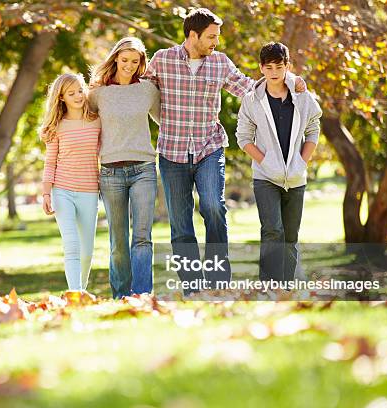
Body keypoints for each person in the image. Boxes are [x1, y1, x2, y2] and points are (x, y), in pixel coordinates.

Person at [144, 8, 306, 292]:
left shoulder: (219, 63)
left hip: (210, 147)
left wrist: (289, 81)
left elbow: (250, 88)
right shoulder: (162, 59)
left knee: (213, 207)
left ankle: (218, 282)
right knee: (181, 225)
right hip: (171, 152)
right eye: (211, 36)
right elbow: (141, 93)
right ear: (193, 35)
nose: (216, 42)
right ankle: (192, 287)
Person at [236, 42, 322, 282]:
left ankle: (287, 286)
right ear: (261, 68)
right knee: (273, 230)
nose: (274, 72)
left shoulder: (302, 96)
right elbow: (243, 138)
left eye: (279, 66)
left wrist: (302, 161)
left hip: (296, 177)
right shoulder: (252, 100)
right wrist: (266, 162)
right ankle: (269, 285)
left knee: (291, 235)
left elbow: (314, 127)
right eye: (269, 67)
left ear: (288, 67)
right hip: (265, 177)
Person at [88, 37, 160, 299]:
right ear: (116, 58)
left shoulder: (148, 90)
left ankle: (142, 295)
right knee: (118, 241)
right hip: (110, 173)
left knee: (142, 236)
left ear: (142, 63)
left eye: (135, 61)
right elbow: (85, 126)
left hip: (144, 169)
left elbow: (168, 119)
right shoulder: (98, 94)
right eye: (125, 59)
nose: (129, 65)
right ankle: (120, 296)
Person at [40, 73, 101, 291]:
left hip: (89, 191)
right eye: (71, 93)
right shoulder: (56, 127)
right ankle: (75, 293)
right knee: (72, 245)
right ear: (61, 98)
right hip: (62, 191)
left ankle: (81, 291)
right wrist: (46, 193)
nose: (77, 96)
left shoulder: (97, 121)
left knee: (87, 251)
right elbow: (50, 162)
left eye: (80, 90)